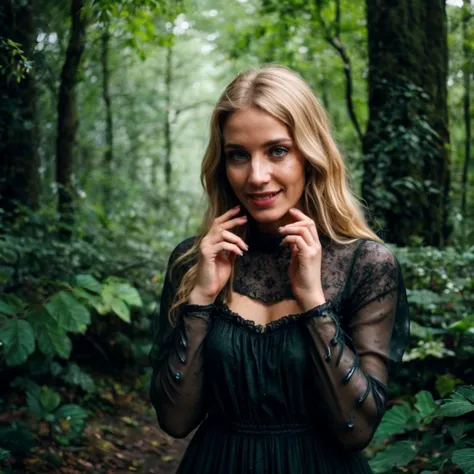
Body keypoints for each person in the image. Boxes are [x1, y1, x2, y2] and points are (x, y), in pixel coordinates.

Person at [149, 65, 410, 474]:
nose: (256, 176)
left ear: (311, 154)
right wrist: (199, 300)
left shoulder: (367, 264)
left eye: (277, 151)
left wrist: (314, 304)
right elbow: (175, 421)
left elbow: (356, 429)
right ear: (222, 164)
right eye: (238, 155)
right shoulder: (193, 260)